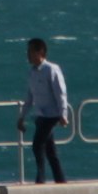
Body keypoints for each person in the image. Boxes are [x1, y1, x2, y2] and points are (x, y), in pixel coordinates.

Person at [22, 39, 72, 183]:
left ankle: (40, 180)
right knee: (51, 151)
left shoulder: (52, 69)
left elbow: (61, 93)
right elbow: (30, 97)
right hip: (40, 115)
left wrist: (63, 114)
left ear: (40, 52)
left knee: (37, 144)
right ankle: (61, 180)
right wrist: (22, 116)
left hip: (52, 115)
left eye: (30, 51)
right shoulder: (32, 72)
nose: (28, 55)